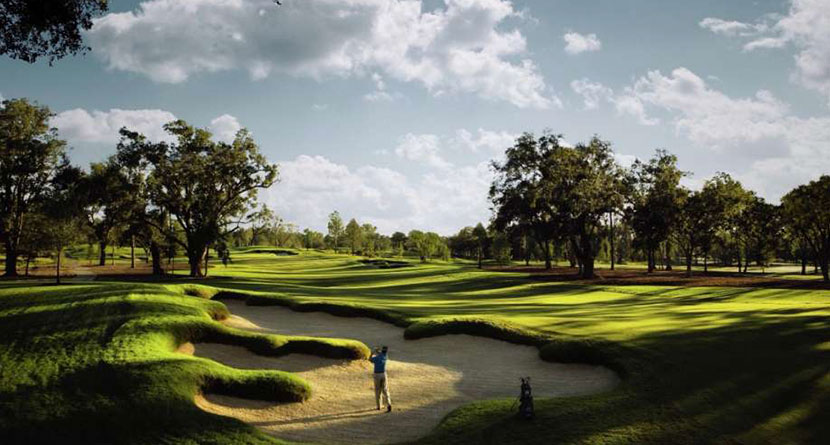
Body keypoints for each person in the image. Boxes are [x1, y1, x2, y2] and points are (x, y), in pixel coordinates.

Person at [369, 345, 392, 412]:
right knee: (385, 390)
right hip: (384, 374)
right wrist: (378, 351)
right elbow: (381, 354)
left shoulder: (376, 358)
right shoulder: (385, 356)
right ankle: (389, 404)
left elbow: (370, 359)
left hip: (377, 374)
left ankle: (379, 406)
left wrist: (372, 353)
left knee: (377, 390)